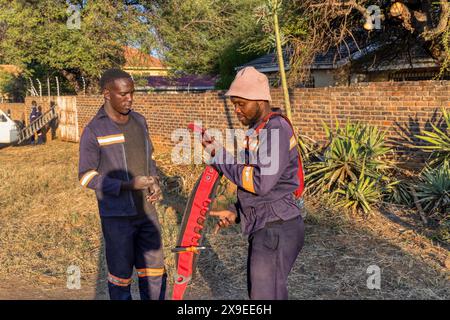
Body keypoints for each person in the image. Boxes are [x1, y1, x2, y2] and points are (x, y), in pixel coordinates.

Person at [204, 66, 305, 300]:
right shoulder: (260, 131)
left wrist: (219, 157)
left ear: (260, 100)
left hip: (276, 228)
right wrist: (237, 211)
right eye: (234, 105)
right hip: (270, 224)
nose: (237, 110)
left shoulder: (275, 129)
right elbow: (261, 182)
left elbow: (260, 182)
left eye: (241, 104)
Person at [78, 68, 166, 300]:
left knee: (155, 275)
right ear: (107, 93)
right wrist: (127, 185)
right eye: (124, 94)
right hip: (117, 218)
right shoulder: (94, 130)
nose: (130, 99)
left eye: (132, 93)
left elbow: (150, 159)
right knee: (120, 279)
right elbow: (86, 176)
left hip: (147, 214)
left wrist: (154, 181)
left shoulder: (140, 121)